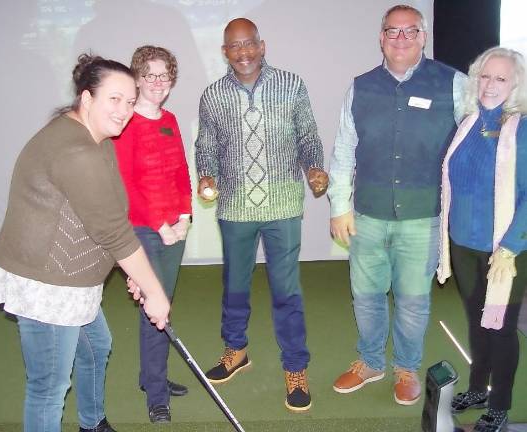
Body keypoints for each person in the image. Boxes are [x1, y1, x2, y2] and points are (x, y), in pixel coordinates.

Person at [0, 54, 170, 432]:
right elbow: (114, 232)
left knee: (96, 348)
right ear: (87, 99)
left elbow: (104, 217)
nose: (124, 111)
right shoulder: (77, 150)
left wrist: (128, 268)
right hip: (48, 284)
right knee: (49, 387)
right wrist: (155, 292)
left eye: (131, 101)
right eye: (114, 100)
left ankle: (92, 423)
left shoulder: (95, 137)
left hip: (75, 280)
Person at [328, 4, 467, 405]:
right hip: (367, 215)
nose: (401, 39)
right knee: (367, 295)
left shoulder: (453, 84)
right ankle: (370, 362)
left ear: (423, 36)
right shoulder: (360, 86)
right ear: (381, 38)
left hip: (423, 217)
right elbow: (343, 150)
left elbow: (471, 144)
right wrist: (340, 206)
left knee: (412, 299)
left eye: (410, 32)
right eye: (393, 32)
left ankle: (407, 368)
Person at [195, 17, 328, 412]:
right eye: (234, 46)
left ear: (262, 45)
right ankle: (235, 350)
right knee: (235, 283)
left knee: (286, 291)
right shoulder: (213, 95)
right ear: (225, 52)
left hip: (283, 206)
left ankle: (295, 368)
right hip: (234, 207)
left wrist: (314, 167)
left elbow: (308, 136)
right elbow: (207, 145)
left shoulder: (291, 85)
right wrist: (206, 175)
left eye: (249, 43)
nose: (243, 53)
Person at [437, 47, 527, 432]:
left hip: (505, 250)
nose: (490, 85)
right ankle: (478, 388)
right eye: (485, 76)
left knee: (501, 327)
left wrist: (510, 245)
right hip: (463, 244)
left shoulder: (521, 129)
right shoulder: (468, 121)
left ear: (516, 85)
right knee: (477, 321)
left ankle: (500, 404)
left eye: (501, 78)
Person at [114, 45, 192, 424]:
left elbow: (180, 171)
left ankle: (151, 377)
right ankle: (156, 396)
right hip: (143, 230)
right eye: (150, 75)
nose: (158, 82)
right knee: (155, 309)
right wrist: (161, 223)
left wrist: (185, 217)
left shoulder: (171, 119)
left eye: (165, 75)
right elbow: (127, 185)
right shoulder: (126, 123)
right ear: (137, 79)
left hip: (173, 230)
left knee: (162, 304)